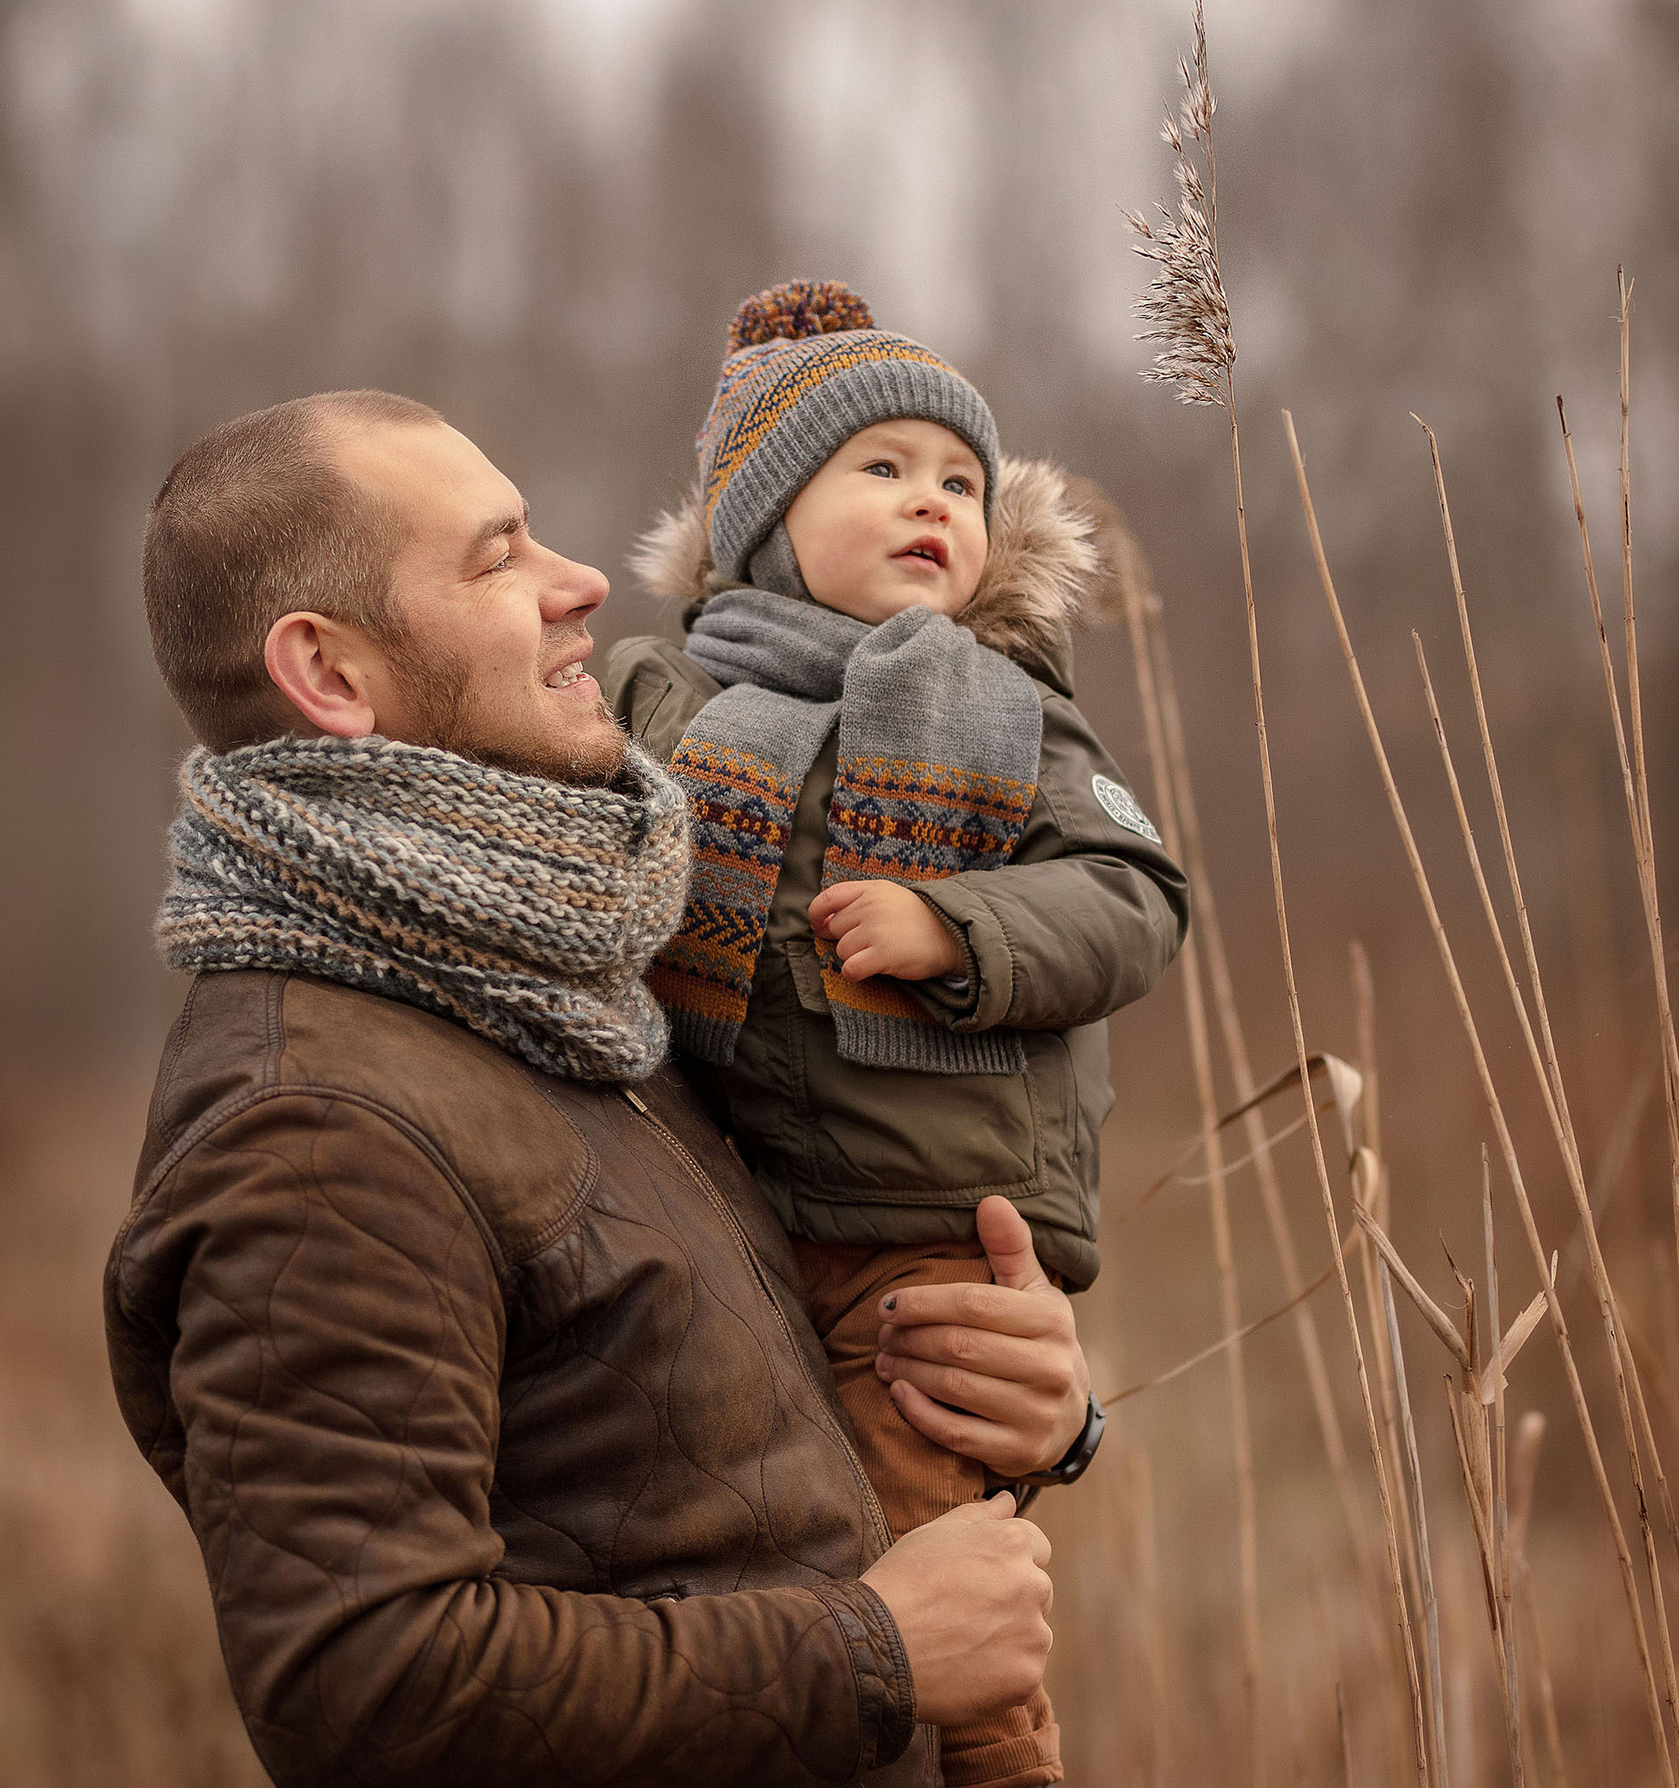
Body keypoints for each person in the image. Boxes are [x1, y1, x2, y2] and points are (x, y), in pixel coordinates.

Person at [107, 386, 1103, 1786]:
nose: (582, 584)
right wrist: (874, 1649)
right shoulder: (317, 1124)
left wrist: (1031, 1407)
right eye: (497, 557)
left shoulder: (561, 980)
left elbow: (697, 1448)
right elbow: (367, 1688)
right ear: (331, 676)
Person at [603, 281, 1191, 1788]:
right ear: (761, 520)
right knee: (757, 1518)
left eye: (961, 482)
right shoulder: (675, 702)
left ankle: (1000, 1757)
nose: (933, 503)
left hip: (933, 1222)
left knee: (912, 1518)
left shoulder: (1010, 709)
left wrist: (959, 934)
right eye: (882, 471)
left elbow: (1135, 896)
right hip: (745, 1195)